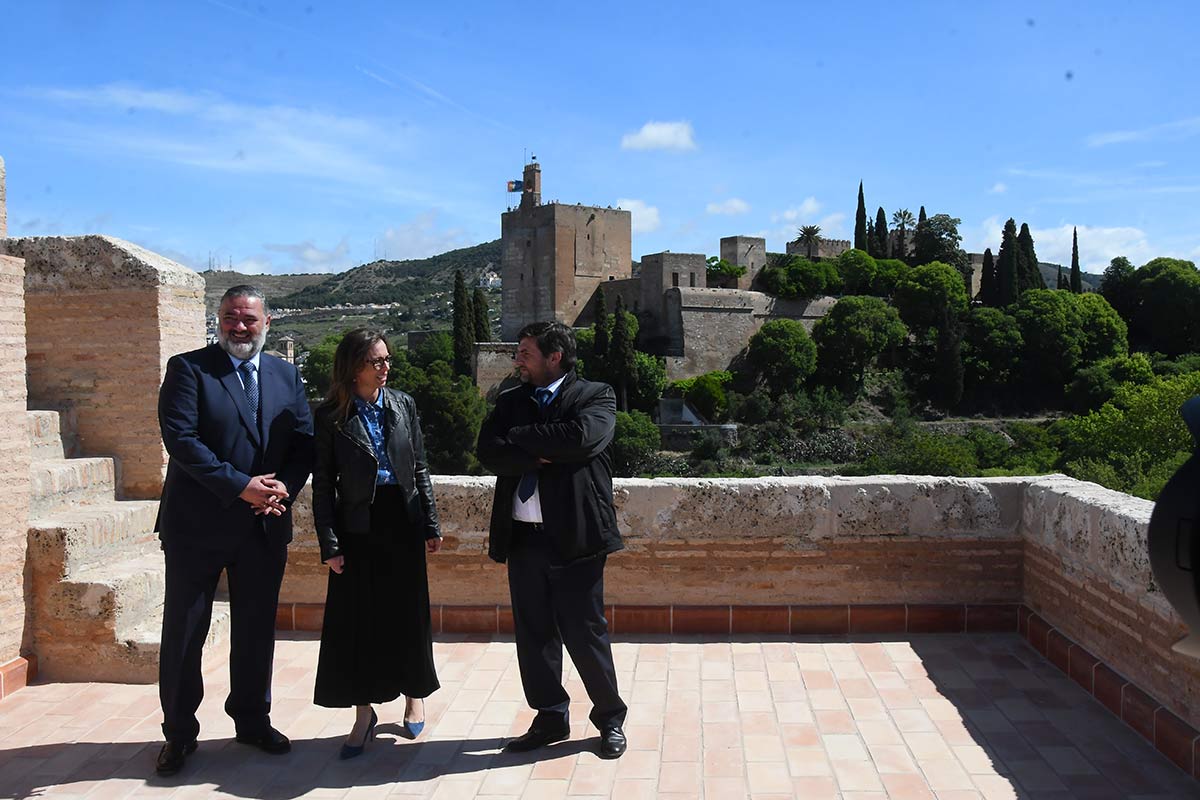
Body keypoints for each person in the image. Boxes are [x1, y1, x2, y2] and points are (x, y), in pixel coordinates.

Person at [155, 285, 314, 776]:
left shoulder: (287, 374)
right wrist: (241, 485)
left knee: (255, 629)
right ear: (217, 320)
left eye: (248, 319)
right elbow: (181, 440)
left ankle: (251, 719)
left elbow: (304, 442)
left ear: (268, 322)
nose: (239, 327)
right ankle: (179, 733)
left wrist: (280, 489)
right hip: (196, 527)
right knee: (185, 633)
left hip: (263, 526)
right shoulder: (189, 369)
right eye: (230, 317)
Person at [476, 321, 628, 759]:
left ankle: (609, 718)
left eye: (525, 351)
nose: (517, 359)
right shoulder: (511, 400)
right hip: (524, 537)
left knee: (585, 633)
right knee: (534, 633)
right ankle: (550, 716)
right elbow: (488, 450)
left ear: (554, 356)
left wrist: (521, 439)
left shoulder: (595, 395)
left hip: (577, 536)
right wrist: (542, 447)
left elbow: (583, 438)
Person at [311, 329, 442, 759]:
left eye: (387, 360)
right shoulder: (331, 415)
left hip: (401, 521)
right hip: (358, 525)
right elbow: (323, 486)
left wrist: (430, 522)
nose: (386, 368)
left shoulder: (403, 405)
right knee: (357, 622)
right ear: (354, 367)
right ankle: (363, 712)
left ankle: (414, 694)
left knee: (408, 614)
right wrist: (330, 544)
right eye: (376, 361)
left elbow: (419, 466)